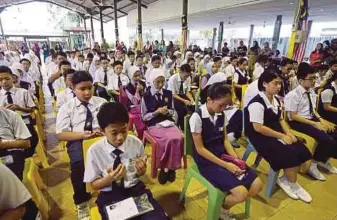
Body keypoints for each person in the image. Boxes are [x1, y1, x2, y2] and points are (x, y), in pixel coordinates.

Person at [83, 102, 169, 220]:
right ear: (103, 131)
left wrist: (141, 171)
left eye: (124, 130)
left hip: (135, 190)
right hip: (110, 196)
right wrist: (110, 178)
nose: (120, 137)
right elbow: (93, 184)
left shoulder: (136, 143)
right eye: (114, 133)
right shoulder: (94, 151)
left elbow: (140, 174)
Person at [189, 83, 262, 219]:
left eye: (226, 105)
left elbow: (225, 140)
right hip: (207, 161)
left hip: (223, 156)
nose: (223, 109)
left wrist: (235, 159)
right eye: (221, 105)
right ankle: (221, 208)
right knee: (241, 193)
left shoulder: (220, 114)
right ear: (209, 100)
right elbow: (200, 149)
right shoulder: (197, 117)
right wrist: (227, 165)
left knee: (257, 185)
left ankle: (223, 206)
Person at [245, 69, 312, 202]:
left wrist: (288, 133)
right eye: (275, 83)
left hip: (273, 132)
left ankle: (286, 179)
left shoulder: (276, 100)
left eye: (280, 84)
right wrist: (281, 137)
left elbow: (281, 120)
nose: (278, 87)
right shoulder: (257, 103)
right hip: (259, 136)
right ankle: (293, 184)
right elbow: (258, 128)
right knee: (288, 153)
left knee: (300, 149)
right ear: (264, 83)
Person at [56, 71, 107, 220]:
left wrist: (102, 130)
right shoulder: (67, 108)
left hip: (100, 137)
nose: (87, 92)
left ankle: (110, 190)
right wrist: (82, 135)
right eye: (82, 89)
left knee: (115, 157)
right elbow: (61, 134)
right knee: (78, 164)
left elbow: (110, 122)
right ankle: (81, 200)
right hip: (78, 139)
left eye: (89, 88)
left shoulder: (101, 103)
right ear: (73, 88)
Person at [285, 62, 337, 181]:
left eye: (315, 78)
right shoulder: (293, 95)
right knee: (326, 139)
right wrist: (315, 124)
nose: (314, 81)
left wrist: (321, 120)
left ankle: (323, 160)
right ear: (301, 80)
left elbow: (313, 110)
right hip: (298, 122)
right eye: (311, 78)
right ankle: (313, 165)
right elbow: (293, 116)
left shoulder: (311, 92)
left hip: (310, 119)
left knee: (334, 132)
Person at [141, 69, 184, 184]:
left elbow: (173, 111)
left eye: (162, 82)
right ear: (151, 81)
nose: (160, 85)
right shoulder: (145, 96)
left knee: (178, 138)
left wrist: (168, 112)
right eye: (158, 82)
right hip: (154, 125)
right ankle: (164, 167)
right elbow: (144, 117)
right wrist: (156, 112)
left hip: (168, 123)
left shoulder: (168, 93)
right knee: (167, 140)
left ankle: (170, 168)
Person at [0, 66, 38, 158]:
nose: (4, 82)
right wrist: (5, 111)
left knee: (32, 139)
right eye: (0, 80)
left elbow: (32, 109)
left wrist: (20, 108)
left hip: (24, 120)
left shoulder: (23, 92)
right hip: (5, 125)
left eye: (7, 78)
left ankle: (25, 157)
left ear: (12, 78)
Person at [168, 63, 195, 130]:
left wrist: (192, 99)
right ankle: (183, 128)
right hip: (173, 96)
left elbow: (187, 92)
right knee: (181, 109)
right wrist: (184, 101)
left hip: (182, 94)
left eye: (188, 76)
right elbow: (173, 94)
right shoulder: (173, 79)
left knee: (193, 106)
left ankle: (191, 126)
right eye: (185, 76)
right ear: (180, 72)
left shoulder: (188, 78)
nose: (186, 78)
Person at [125, 66, 147, 139]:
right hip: (133, 106)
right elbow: (134, 102)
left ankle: (147, 134)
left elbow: (146, 96)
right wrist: (137, 91)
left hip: (143, 104)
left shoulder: (143, 83)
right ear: (131, 76)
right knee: (139, 116)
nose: (138, 78)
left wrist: (143, 91)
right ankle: (140, 135)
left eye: (139, 75)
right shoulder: (128, 87)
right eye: (135, 76)